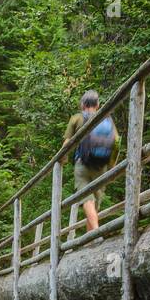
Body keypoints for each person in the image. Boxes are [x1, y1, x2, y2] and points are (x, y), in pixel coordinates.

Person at [61, 90, 119, 234]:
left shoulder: (77, 118)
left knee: (87, 200)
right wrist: (112, 166)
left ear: (82, 105)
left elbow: (67, 143)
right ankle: (90, 240)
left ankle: (97, 233)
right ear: (98, 104)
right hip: (101, 166)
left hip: (83, 164)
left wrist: (62, 159)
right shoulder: (107, 119)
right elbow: (117, 142)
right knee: (94, 205)